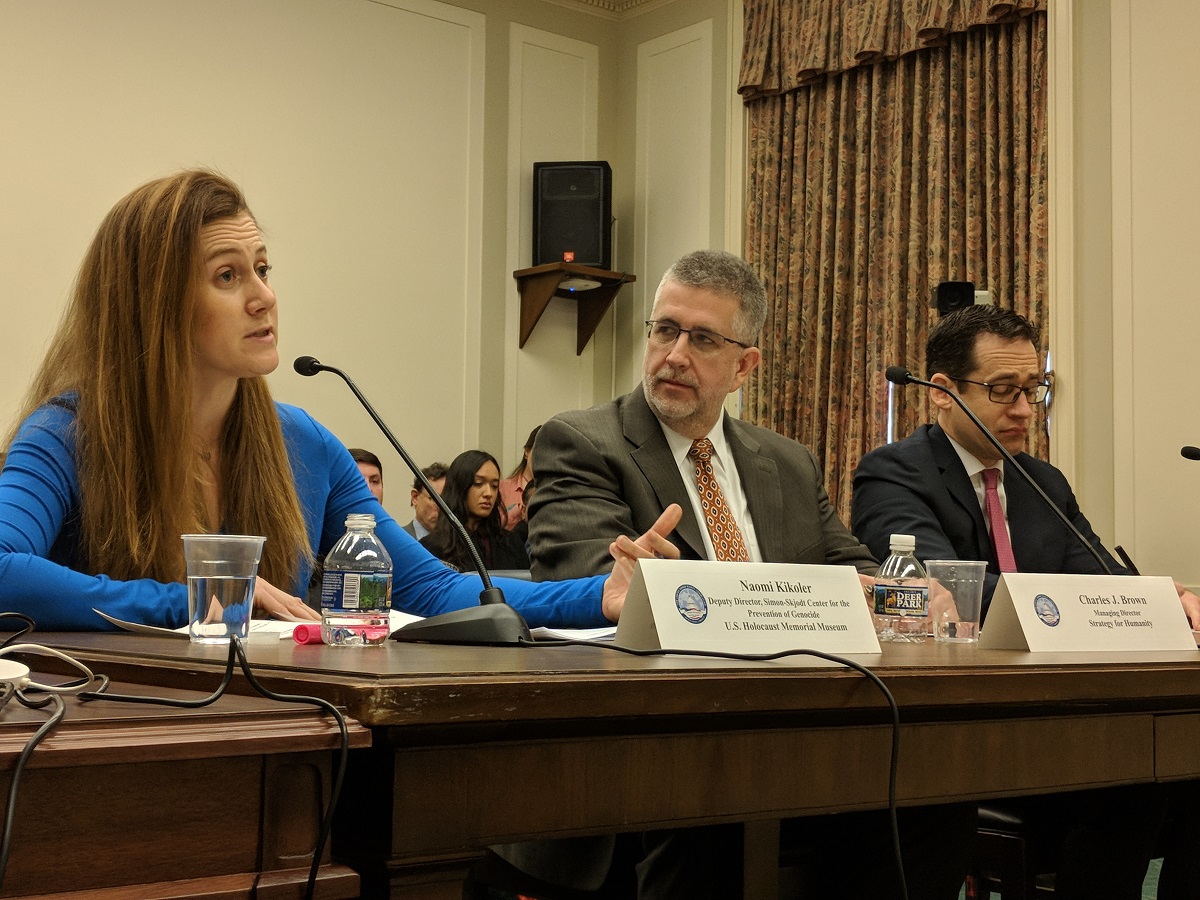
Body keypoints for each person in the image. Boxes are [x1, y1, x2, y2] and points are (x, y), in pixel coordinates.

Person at [0, 169, 678, 632]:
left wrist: (602, 594)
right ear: (153, 305)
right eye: (227, 276)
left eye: (262, 269)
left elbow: (435, 590)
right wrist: (197, 602)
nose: (263, 296)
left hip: (293, 733)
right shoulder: (66, 433)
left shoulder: (304, 443)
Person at [507, 249, 974, 899]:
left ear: (744, 366)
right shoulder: (582, 442)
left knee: (937, 798)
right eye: (665, 330)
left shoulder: (785, 463)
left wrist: (905, 590)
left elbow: (854, 569)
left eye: (702, 339)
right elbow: (589, 585)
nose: (674, 354)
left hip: (797, 731)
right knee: (719, 797)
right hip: (647, 742)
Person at [851, 303, 1194, 899]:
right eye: (1002, 390)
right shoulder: (894, 474)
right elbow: (947, 595)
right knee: (1134, 785)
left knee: (1173, 772)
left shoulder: (1043, 481)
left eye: (1031, 390)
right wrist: (1073, 606)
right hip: (960, 730)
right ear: (942, 391)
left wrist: (1167, 602)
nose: (1020, 410)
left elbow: (1100, 584)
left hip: (1060, 718)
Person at [421, 450, 530, 571]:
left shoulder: (511, 543)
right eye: (478, 483)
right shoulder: (432, 547)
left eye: (494, 486)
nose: (489, 493)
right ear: (460, 487)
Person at [499, 425, 538, 530]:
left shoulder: (554, 491)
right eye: (538, 452)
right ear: (527, 452)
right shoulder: (502, 488)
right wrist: (516, 511)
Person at [403, 461, 447, 541]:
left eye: (445, 501)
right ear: (415, 497)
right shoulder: (399, 539)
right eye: (434, 499)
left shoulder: (458, 545)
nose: (441, 508)